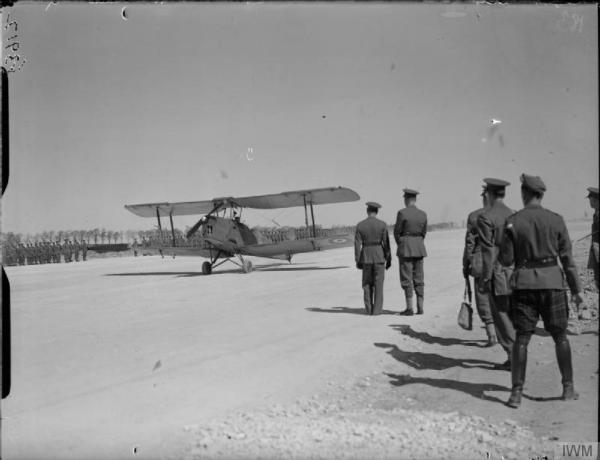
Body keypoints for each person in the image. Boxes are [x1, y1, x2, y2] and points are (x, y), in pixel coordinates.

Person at [500, 174, 584, 408]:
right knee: (560, 336)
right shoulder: (556, 220)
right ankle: (568, 388)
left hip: (524, 284)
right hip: (553, 284)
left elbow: (506, 259)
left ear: (524, 193)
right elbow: (567, 260)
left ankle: (516, 393)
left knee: (522, 339)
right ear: (541, 194)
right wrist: (577, 290)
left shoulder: (512, 221)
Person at [477, 178, 516, 371]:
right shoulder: (513, 214)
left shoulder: (486, 217)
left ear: (489, 194)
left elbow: (488, 251)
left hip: (498, 273)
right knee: (511, 313)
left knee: (500, 314)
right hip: (515, 272)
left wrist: (486, 277)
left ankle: (513, 355)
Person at [463, 188, 498, 347]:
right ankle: (502, 333)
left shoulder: (474, 216)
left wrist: (466, 263)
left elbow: (469, 244)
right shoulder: (508, 213)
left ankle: (491, 335)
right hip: (500, 261)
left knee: (483, 297)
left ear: (485, 196)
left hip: (480, 260)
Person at [354, 202, 392, 315]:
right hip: (379, 256)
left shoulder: (360, 225)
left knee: (366, 284)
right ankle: (377, 311)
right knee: (379, 285)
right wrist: (388, 258)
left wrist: (358, 260)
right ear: (377, 211)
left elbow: (357, 245)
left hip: (366, 257)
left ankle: (369, 309)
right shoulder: (382, 224)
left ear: (367, 211)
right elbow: (386, 244)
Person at [394, 189, 427, 315]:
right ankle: (420, 307)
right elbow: (424, 233)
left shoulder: (402, 213)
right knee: (419, 278)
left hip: (406, 248)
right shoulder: (423, 214)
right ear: (415, 199)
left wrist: (402, 244)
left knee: (406, 278)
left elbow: (397, 232)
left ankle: (409, 308)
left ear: (406, 199)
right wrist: (417, 242)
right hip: (419, 248)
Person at [587, 187, 599, 289]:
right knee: (592, 266)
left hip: (598, 246)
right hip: (595, 246)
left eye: (590, 200)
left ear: (595, 200)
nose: (590, 202)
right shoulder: (596, 214)